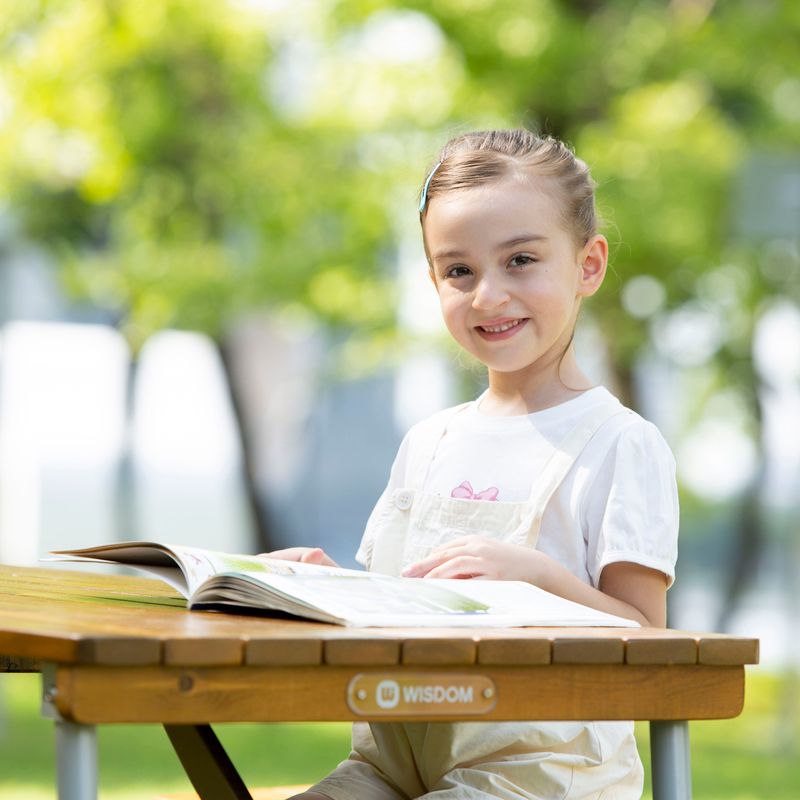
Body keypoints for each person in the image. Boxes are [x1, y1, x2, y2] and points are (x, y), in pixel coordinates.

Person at [271, 128, 679, 799]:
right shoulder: (429, 441)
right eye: (459, 271)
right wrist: (315, 587)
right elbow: (401, 601)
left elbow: (646, 640)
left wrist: (536, 576)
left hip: (543, 774)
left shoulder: (618, 443)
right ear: (434, 281)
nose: (488, 295)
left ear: (588, 265)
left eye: (520, 260)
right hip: (393, 760)